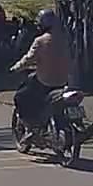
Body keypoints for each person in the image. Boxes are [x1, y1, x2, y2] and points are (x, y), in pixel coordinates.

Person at [11, 9, 71, 139]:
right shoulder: (65, 39)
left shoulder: (40, 41)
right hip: (64, 81)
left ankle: (31, 126)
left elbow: (28, 59)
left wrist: (16, 68)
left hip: (46, 81)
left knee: (20, 96)